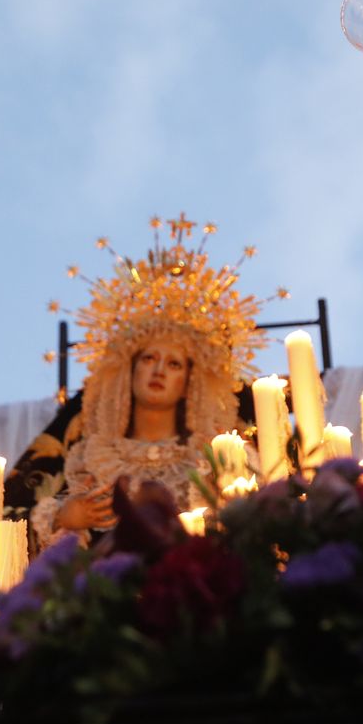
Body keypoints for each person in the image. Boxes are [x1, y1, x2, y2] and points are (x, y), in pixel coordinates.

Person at [24, 215, 274, 550]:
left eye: (174, 363)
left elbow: (267, 526)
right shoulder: (89, 458)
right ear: (130, 369)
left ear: (189, 381)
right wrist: (65, 518)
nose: (159, 371)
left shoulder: (221, 455)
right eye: (148, 358)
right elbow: (10, 525)